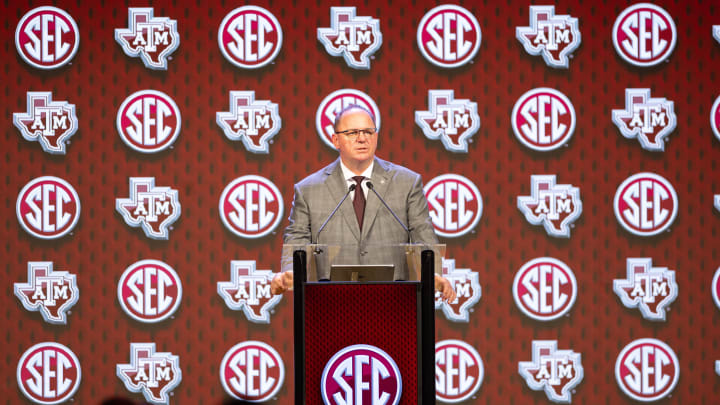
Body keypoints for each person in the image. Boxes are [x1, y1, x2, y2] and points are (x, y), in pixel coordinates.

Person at [271, 105, 455, 302]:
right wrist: (290, 271)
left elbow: (422, 233)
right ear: (335, 140)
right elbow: (297, 237)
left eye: (368, 131)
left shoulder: (406, 182)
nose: (362, 138)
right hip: (330, 301)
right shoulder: (308, 189)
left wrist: (432, 273)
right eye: (352, 133)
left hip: (394, 300)